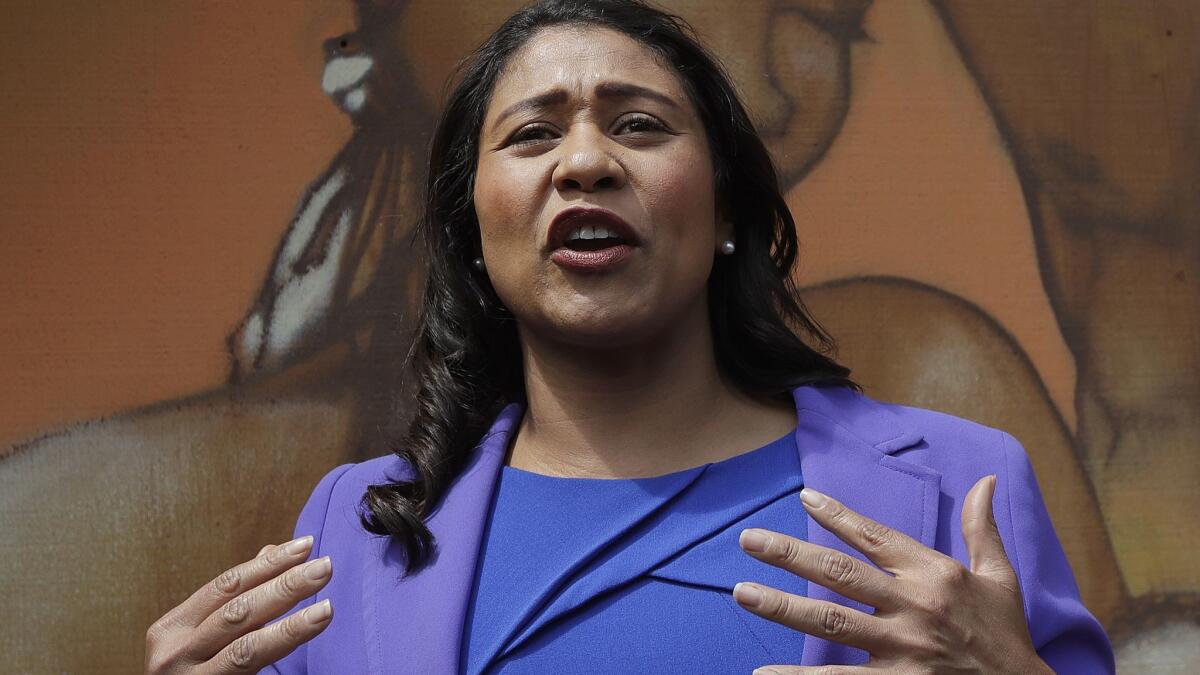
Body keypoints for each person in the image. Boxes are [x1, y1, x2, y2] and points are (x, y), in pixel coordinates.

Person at [144, 1, 1113, 672]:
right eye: (531, 135)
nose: (585, 162)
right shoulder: (352, 528)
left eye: (640, 125)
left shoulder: (959, 485)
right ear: (473, 232)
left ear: (729, 207)